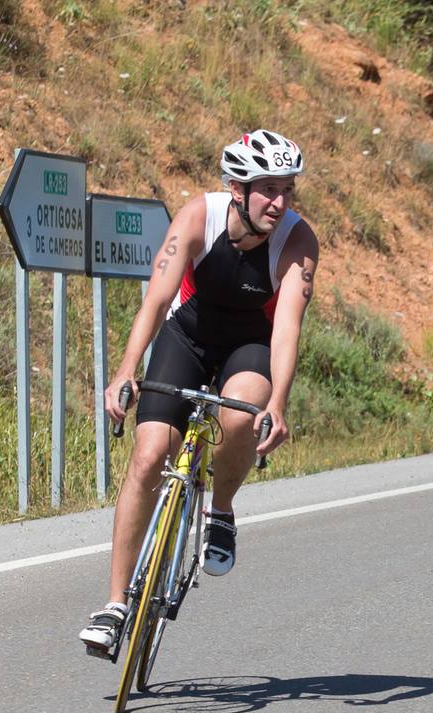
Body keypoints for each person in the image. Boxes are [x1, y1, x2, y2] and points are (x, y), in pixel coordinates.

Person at [80, 129, 320, 656]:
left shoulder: (297, 244)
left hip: (249, 345)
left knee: (238, 418)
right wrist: (125, 371)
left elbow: (286, 330)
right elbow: (155, 299)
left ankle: (222, 512)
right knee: (147, 458)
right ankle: (116, 604)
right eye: (268, 190)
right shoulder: (197, 217)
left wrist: (276, 403)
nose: (280, 202)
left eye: (287, 190)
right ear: (238, 188)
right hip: (186, 334)